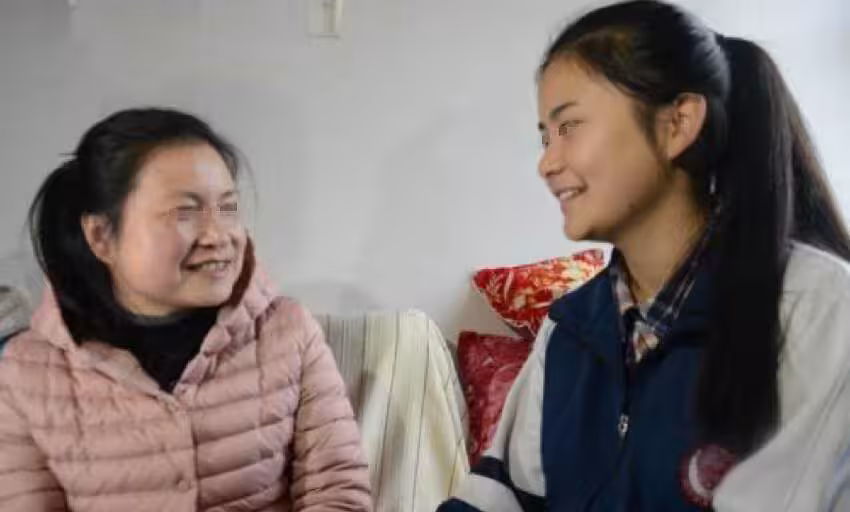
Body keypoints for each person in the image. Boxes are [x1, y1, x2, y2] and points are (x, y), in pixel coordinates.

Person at [439, 1, 850, 510]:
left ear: (677, 123)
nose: (546, 163)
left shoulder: (818, 313)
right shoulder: (568, 330)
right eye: (545, 137)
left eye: (569, 126)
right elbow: (499, 497)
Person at [0, 108, 372, 511]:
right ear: (101, 236)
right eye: (186, 212)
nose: (219, 236)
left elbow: (337, 491)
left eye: (228, 208)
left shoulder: (285, 330)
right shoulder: (28, 371)